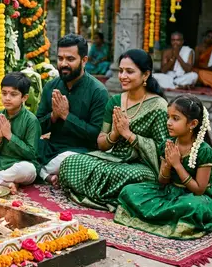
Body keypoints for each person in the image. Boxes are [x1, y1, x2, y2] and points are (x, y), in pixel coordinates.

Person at [58, 49, 169, 211]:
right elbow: (101, 144)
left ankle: (100, 193)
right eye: (121, 71)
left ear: (145, 75)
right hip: (113, 159)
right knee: (70, 162)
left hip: (143, 166)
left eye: (129, 72)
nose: (123, 76)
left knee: (134, 177)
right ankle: (117, 196)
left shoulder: (158, 106)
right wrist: (115, 134)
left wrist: (130, 135)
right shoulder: (116, 101)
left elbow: (163, 150)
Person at [115, 95, 212, 239]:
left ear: (193, 124)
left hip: (195, 197)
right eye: (168, 117)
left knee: (192, 207)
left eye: (175, 118)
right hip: (170, 191)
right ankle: (169, 217)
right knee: (129, 191)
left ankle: (174, 219)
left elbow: (199, 190)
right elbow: (162, 181)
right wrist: (166, 166)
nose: (169, 123)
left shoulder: (203, 151)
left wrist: (177, 165)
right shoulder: (168, 144)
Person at [36, 34, 109, 188]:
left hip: (80, 153)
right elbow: (37, 127)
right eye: (60, 58)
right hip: (51, 148)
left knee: (69, 161)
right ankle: (44, 173)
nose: (63, 64)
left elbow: (96, 135)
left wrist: (66, 116)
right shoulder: (51, 86)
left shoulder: (98, 91)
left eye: (70, 59)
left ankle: (38, 171)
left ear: (84, 60)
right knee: (20, 144)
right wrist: (54, 116)